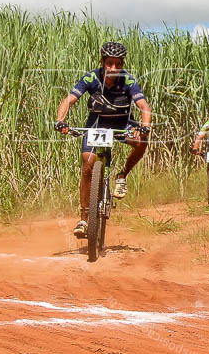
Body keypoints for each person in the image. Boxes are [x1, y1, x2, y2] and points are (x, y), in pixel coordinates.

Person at [54, 41, 152, 238]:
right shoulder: (91, 77)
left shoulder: (128, 81)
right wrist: (60, 120)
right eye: (109, 63)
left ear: (122, 64)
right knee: (88, 165)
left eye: (117, 64)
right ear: (102, 62)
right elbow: (69, 100)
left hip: (122, 124)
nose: (113, 68)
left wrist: (145, 126)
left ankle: (122, 175)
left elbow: (143, 106)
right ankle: (83, 218)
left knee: (142, 142)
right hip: (96, 125)